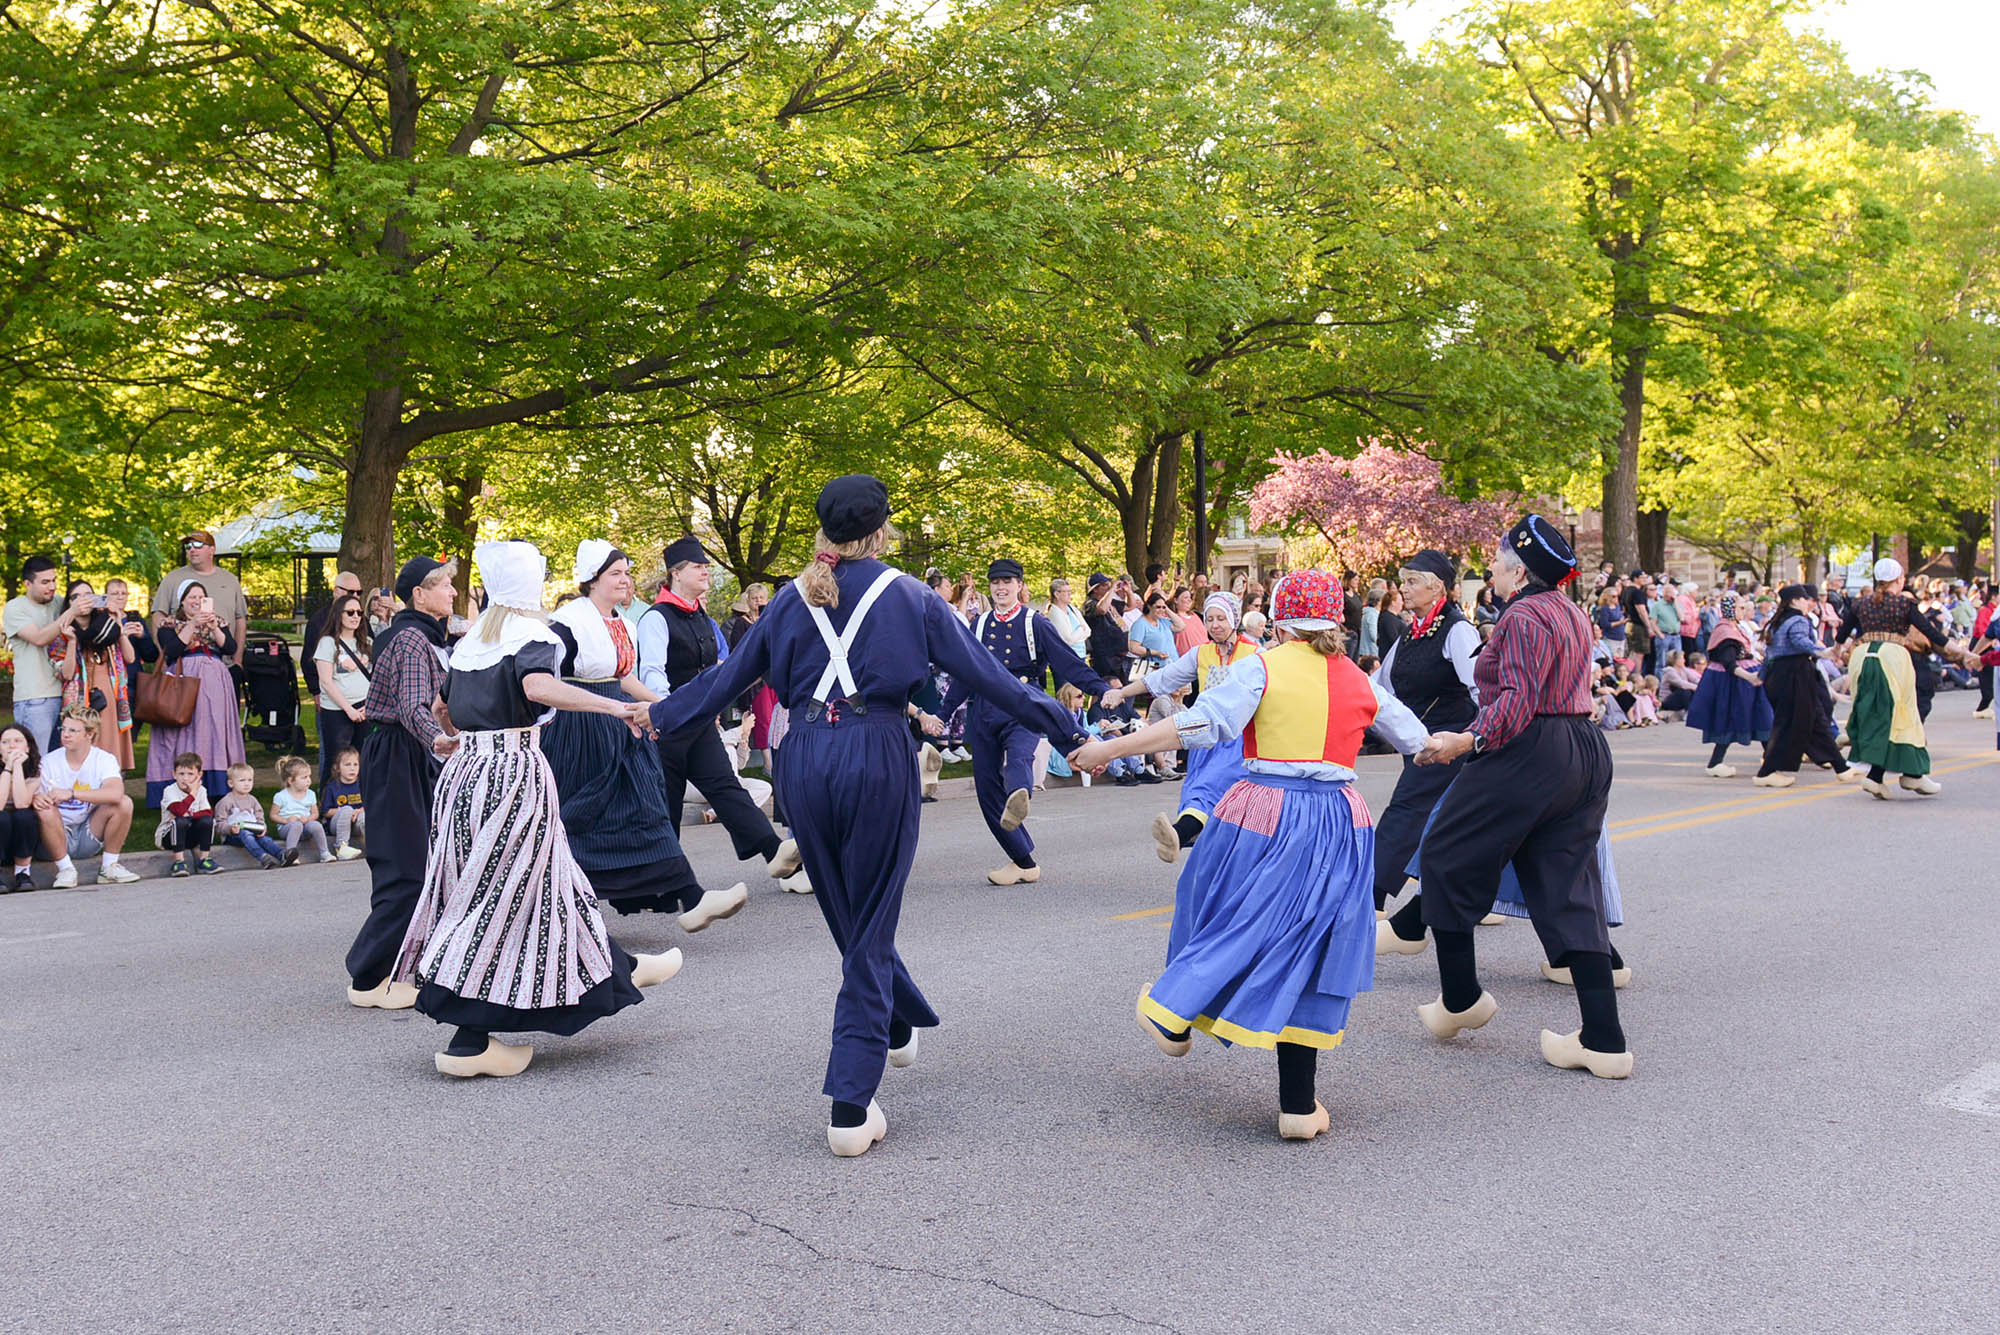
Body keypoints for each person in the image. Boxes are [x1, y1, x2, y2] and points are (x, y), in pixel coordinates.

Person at [645, 475, 1094, 1157]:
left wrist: (656, 713)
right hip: (876, 751)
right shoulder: (910, 595)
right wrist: (1069, 730)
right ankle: (850, 1103)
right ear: (880, 531)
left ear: (826, 532)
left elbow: (725, 679)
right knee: (874, 915)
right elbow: (988, 677)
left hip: (804, 761)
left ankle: (894, 1020)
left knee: (853, 915)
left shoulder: (790, 599)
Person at [1071, 569, 1432, 1140]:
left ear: (1282, 620)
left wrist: (1108, 747)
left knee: (1217, 908)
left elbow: (1194, 726)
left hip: (1262, 808)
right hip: (1338, 818)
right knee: (1311, 947)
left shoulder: (1260, 667)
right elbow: (1421, 741)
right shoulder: (1363, 684)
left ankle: (1172, 1010)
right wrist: (1469, 741)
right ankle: (1297, 1105)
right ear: (1334, 619)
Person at [393, 541, 684, 1080]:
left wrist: (455, 736)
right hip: (512, 772)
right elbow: (538, 686)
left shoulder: (470, 642)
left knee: (521, 884)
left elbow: (443, 711)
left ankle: (616, 970)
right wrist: (616, 706)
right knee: (509, 892)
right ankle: (469, 1038)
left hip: (465, 776)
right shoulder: (529, 636)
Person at [1411, 516, 1631, 1080]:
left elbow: (1518, 699)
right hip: (1583, 748)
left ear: (1520, 570)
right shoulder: (1571, 612)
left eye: (1499, 559)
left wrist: (1467, 740)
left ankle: (1460, 998)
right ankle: (1604, 1039)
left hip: (1533, 748)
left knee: (1443, 852)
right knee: (1569, 885)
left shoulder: (1524, 615)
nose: (1490, 568)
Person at [549, 540, 754, 928]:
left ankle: (691, 897)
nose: (626, 580)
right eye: (616, 573)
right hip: (580, 731)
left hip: (623, 724)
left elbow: (625, 679)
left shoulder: (622, 623)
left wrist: (666, 709)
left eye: (627, 572)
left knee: (648, 808)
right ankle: (569, 906)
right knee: (581, 816)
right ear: (592, 580)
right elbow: (547, 681)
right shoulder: (567, 624)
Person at [936, 557, 1114, 886]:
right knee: (986, 789)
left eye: (1007, 581)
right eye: (995, 582)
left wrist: (1101, 689)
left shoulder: (1036, 622)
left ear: (1020, 585)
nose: (1001, 588)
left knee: (1019, 755)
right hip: (985, 708)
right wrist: (942, 716)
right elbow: (964, 673)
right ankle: (1023, 861)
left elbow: (1068, 664)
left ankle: (1020, 794)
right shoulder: (977, 624)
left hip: (1024, 704)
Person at [638, 536, 801, 887]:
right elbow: (652, 673)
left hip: (699, 725)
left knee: (728, 788)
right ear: (676, 574)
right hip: (667, 726)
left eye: (706, 567)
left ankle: (779, 858)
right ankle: (666, 885)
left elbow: (722, 666)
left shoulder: (701, 617)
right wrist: (665, 716)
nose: (706, 572)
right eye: (698, 567)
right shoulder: (656, 619)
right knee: (666, 806)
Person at [344, 556, 458, 1011]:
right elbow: (414, 707)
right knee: (405, 869)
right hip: (398, 753)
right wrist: (441, 741)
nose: (452, 592)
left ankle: (406, 967)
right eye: (444, 585)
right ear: (419, 595)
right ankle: (368, 976)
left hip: (407, 752)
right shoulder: (411, 640)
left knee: (424, 865)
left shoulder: (424, 638)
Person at [1367, 551, 1483, 944]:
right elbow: (1378, 686)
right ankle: (1473, 894)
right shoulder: (1410, 632)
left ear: (1436, 587)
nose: (1404, 587)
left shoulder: (1457, 630)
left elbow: (1481, 689)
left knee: (1406, 811)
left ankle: (1371, 900)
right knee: (1451, 827)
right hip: (1419, 742)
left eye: (1413, 580)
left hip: (1449, 742)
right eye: (1404, 580)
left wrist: (1483, 738)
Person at [1133, 592, 1258, 861]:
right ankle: (1187, 836)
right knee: (1198, 790)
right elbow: (1164, 678)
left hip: (1240, 741)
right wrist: (1120, 694)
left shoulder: (1257, 654)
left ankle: (1181, 834)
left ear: (1234, 619)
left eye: (1221, 618)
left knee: (1216, 791)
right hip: (1205, 739)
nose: (1215, 625)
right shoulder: (1201, 653)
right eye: (1210, 619)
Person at [1836, 558, 1942, 798]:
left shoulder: (1860, 602)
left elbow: (1843, 633)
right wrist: (1960, 651)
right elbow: (1930, 632)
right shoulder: (1903, 604)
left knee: (1877, 713)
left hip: (1862, 656)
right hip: (1892, 656)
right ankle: (1911, 774)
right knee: (1903, 713)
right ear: (1900, 579)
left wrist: (1835, 650)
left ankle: (1882, 775)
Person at [147, 580, 247, 805]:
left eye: (201, 597)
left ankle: (218, 785)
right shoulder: (169, 624)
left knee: (215, 731)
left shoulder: (217, 621)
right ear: (182, 601)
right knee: (188, 731)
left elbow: (230, 648)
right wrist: (192, 624)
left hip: (215, 681)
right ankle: (185, 783)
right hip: (183, 682)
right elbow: (171, 650)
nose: (196, 601)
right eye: (191, 597)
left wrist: (213, 627)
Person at [1753, 584, 1856, 788]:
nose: (1807, 602)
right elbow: (1799, 641)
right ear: (1794, 601)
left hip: (1780, 675)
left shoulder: (1777, 621)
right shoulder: (1799, 620)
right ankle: (1766, 772)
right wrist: (1822, 651)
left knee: (1815, 719)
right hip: (1795, 673)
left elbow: (1770, 652)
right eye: (1803, 598)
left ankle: (1841, 767)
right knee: (1788, 723)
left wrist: (1762, 675)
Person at [34, 705, 140, 887]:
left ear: (89, 734)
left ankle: (109, 866)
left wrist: (72, 793)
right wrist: (36, 798)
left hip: (88, 832)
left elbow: (115, 793)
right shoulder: (49, 761)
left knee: (124, 803)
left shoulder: (104, 759)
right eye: (63, 729)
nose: (65, 734)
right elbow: (34, 795)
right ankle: (65, 869)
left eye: (73, 730)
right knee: (44, 809)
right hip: (57, 834)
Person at [5, 556, 93, 752]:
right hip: (35, 698)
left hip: (67, 696)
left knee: (62, 762)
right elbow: (39, 638)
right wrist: (72, 611)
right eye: (45, 582)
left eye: (54, 580)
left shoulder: (58, 603)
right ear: (27, 583)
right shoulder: (15, 608)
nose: (52, 586)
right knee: (37, 761)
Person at [56, 579, 144, 768]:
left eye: (88, 595)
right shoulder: (62, 631)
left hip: (109, 694)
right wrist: (72, 642)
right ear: (69, 603)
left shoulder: (106, 626)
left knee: (108, 744)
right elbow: (67, 673)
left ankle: (111, 787)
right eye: (76, 596)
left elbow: (129, 658)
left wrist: (118, 627)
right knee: (83, 746)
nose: (83, 600)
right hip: (79, 699)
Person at [1685, 592, 1773, 778]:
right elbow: (1729, 663)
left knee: (1761, 717)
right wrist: (1750, 677)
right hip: (1733, 683)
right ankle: (1716, 762)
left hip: (1743, 682)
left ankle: (1771, 759)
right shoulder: (1725, 632)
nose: (1745, 611)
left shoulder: (1734, 627)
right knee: (1733, 721)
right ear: (1730, 609)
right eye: (1740, 607)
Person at [150, 531, 248, 670]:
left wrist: (238, 660)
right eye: (188, 546)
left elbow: (240, 620)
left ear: (212, 550)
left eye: (198, 544)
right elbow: (158, 616)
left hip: (225, 664)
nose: (192, 549)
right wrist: (163, 657)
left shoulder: (230, 580)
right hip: (181, 667)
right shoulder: (172, 578)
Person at [312, 591, 372, 786]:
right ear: (339, 615)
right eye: (350, 612)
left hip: (365, 707)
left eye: (359, 613)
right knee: (337, 761)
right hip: (337, 710)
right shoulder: (327, 643)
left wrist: (367, 705)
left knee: (363, 760)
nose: (355, 617)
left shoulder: (367, 643)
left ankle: (360, 802)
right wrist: (349, 709)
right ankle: (329, 807)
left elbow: (376, 678)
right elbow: (326, 682)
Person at [301, 570, 365, 699]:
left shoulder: (362, 620)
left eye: (359, 592)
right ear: (336, 591)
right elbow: (309, 658)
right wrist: (316, 691)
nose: (355, 595)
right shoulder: (318, 621)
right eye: (351, 592)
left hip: (359, 697)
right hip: (330, 698)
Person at [158, 752, 220, 876]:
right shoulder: (170, 791)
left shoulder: (202, 791)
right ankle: (179, 862)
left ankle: (204, 859)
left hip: (191, 836)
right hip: (170, 838)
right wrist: (192, 794)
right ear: (174, 774)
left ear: (199, 775)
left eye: (190, 774)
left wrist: (190, 816)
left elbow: (208, 812)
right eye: (181, 774)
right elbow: (179, 811)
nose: (185, 778)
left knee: (208, 821)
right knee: (180, 821)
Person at [2, 722, 47, 891]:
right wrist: (8, 768)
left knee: (25, 815)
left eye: (17, 741)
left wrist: (18, 767)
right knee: (2, 817)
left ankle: (23, 873)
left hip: (20, 842)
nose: (11, 745)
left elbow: (21, 803)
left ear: (27, 747)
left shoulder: (35, 772)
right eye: (5, 742)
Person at [215, 762, 282, 868]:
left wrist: (262, 826)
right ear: (231, 783)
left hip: (253, 832)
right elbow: (219, 824)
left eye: (249, 780)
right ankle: (263, 857)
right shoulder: (226, 801)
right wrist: (230, 829)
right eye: (242, 780)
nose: (247, 784)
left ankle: (282, 855)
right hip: (234, 835)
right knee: (245, 834)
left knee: (265, 839)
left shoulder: (252, 800)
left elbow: (259, 815)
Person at [271, 754, 331, 864]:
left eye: (309, 776)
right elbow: (273, 815)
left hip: (305, 825)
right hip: (287, 828)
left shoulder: (310, 794)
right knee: (296, 825)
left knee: (316, 825)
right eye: (304, 777)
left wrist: (308, 819)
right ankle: (290, 854)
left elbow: (315, 814)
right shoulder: (281, 796)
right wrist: (286, 820)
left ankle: (324, 853)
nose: (309, 780)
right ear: (291, 780)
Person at [1083, 574, 1130, 681]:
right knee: (1108, 686)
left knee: (1118, 686)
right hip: (1104, 656)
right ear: (1095, 589)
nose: (1108, 587)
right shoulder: (1090, 604)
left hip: (1117, 655)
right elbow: (1102, 609)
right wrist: (1112, 589)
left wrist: (1128, 591)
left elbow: (1130, 605)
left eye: (1109, 585)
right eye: (1105, 585)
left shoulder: (1110, 603)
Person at [323, 747, 366, 859]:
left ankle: (375, 846)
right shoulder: (332, 787)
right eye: (347, 765)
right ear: (337, 768)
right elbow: (326, 812)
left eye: (355, 764)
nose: (352, 768)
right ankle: (341, 847)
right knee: (347, 809)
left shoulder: (363, 785)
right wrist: (347, 811)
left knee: (364, 815)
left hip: (356, 824)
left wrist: (360, 810)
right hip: (337, 824)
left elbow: (372, 805)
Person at [1045, 578, 1089, 659]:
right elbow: (1068, 640)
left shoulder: (1072, 609)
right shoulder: (1054, 613)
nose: (1070, 594)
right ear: (1057, 594)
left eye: (1070, 591)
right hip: (1067, 658)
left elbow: (1088, 631)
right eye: (1067, 592)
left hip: (1081, 655)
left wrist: (1076, 635)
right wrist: (1080, 630)